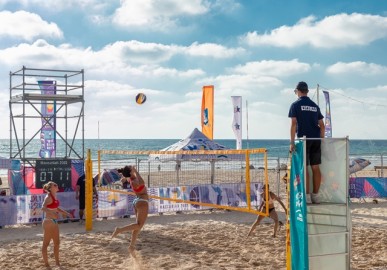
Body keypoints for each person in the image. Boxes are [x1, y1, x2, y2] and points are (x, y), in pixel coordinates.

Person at [289, 81, 325, 204]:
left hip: (303, 139)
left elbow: (294, 124)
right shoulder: (314, 105)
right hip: (315, 139)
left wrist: (292, 142)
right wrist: (321, 140)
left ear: (298, 91)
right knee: (315, 167)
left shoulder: (295, 105)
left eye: (295, 91)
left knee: (305, 168)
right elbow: (322, 126)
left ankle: (308, 197)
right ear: (307, 91)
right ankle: (316, 195)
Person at [111, 165, 149, 255]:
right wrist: (135, 171)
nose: (133, 168)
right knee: (139, 225)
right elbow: (142, 182)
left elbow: (125, 177)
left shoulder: (131, 178)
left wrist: (126, 175)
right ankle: (119, 230)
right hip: (142, 201)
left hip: (138, 201)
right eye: (132, 169)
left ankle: (132, 246)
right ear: (131, 172)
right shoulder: (135, 180)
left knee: (137, 226)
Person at [41, 181, 72, 267]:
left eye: (56, 184)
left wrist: (64, 212)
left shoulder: (54, 196)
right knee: (46, 244)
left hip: (54, 221)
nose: (57, 185)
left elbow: (56, 207)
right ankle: (47, 264)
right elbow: (43, 208)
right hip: (48, 221)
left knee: (57, 243)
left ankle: (57, 263)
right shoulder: (48, 197)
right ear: (50, 188)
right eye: (55, 185)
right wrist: (52, 212)